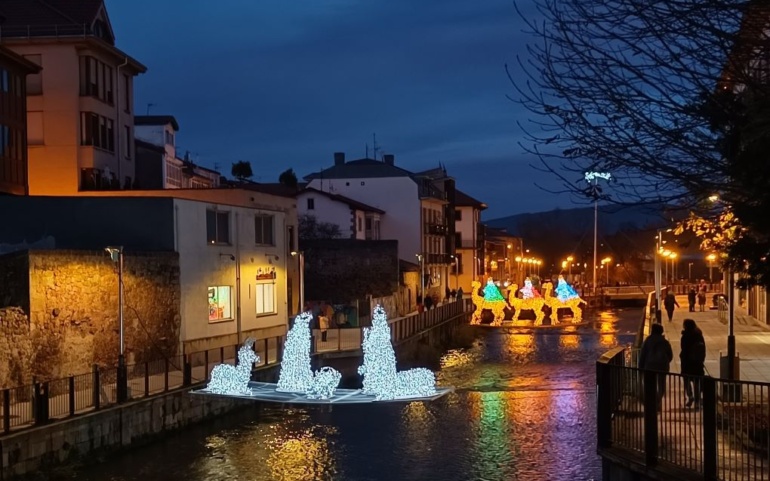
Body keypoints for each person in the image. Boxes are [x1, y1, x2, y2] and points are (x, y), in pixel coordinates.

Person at [639, 323, 674, 408]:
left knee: (650, 385)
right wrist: (665, 362)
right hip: (662, 366)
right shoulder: (665, 342)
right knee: (661, 385)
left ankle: (651, 402)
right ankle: (657, 401)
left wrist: (641, 367)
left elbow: (643, 355)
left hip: (650, 366)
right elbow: (670, 355)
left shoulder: (648, 341)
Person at [680, 318, 706, 408]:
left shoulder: (685, 336)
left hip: (687, 362)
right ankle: (697, 401)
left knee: (686, 379)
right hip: (697, 362)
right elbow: (703, 348)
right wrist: (701, 359)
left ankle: (690, 396)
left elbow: (683, 348)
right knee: (697, 382)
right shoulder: (699, 335)